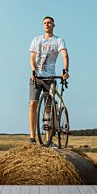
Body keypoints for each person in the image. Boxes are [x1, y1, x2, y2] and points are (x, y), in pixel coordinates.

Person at [29, 16, 69, 147]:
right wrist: (33, 70)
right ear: (43, 25)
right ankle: (32, 138)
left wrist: (65, 70)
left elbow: (64, 54)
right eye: (45, 23)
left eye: (49, 23)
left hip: (50, 78)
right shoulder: (36, 40)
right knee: (33, 104)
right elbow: (32, 57)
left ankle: (49, 140)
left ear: (53, 25)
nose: (47, 25)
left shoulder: (58, 40)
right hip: (36, 78)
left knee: (48, 109)